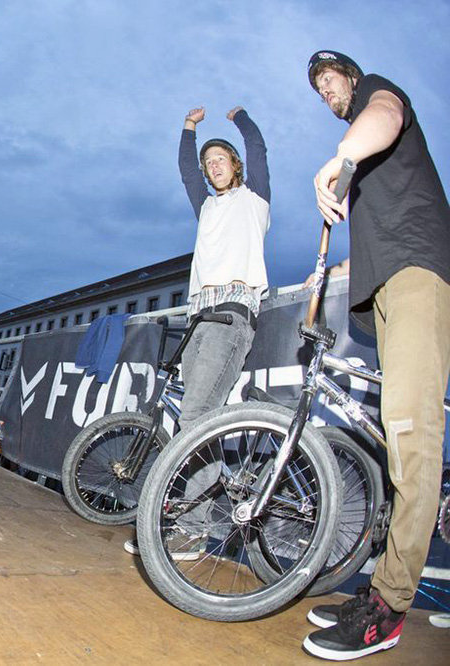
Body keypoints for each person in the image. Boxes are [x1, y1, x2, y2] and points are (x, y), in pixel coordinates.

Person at [301, 50, 450, 662]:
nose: (326, 92)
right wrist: (335, 271)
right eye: (318, 90)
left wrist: (340, 156)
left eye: (330, 79)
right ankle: (379, 587)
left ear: (353, 77)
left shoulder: (376, 101)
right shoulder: (369, 170)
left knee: (413, 436)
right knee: (397, 436)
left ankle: (387, 610)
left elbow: (386, 114)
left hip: (418, 278)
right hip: (392, 280)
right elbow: (378, 234)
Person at [124, 105, 271, 560]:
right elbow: (187, 170)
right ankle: (200, 513)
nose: (213, 167)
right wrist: (189, 130)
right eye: (209, 164)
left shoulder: (256, 201)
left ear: (236, 165)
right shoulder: (205, 205)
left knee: (195, 422)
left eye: (221, 160)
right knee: (198, 418)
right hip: (199, 321)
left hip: (231, 319)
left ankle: (191, 531)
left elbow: (260, 151)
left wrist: (241, 120)